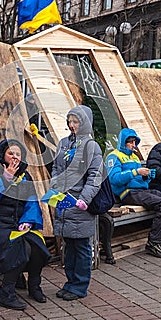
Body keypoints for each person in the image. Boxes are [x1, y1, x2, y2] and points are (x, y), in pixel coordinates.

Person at [0, 139, 50, 310]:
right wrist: (6, 177)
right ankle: (6, 293)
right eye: (11, 154)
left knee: (38, 245)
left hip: (16, 225)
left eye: (18, 154)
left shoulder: (25, 176)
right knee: (18, 247)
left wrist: (27, 221)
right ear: (3, 155)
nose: (15, 158)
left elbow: (31, 202)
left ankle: (34, 286)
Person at [51, 105, 103, 300]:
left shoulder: (92, 146)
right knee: (69, 246)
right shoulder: (63, 143)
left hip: (80, 204)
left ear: (84, 123)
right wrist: (55, 184)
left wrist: (84, 199)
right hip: (64, 203)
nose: (72, 125)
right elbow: (56, 166)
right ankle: (70, 282)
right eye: (70, 121)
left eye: (76, 121)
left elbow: (94, 176)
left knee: (80, 246)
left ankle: (79, 286)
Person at [106, 127, 161, 258]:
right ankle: (153, 243)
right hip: (128, 193)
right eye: (130, 142)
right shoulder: (114, 156)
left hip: (142, 190)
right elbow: (114, 178)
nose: (133, 145)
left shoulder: (134, 157)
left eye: (135, 142)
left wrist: (147, 176)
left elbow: (140, 180)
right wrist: (136, 172)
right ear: (123, 142)